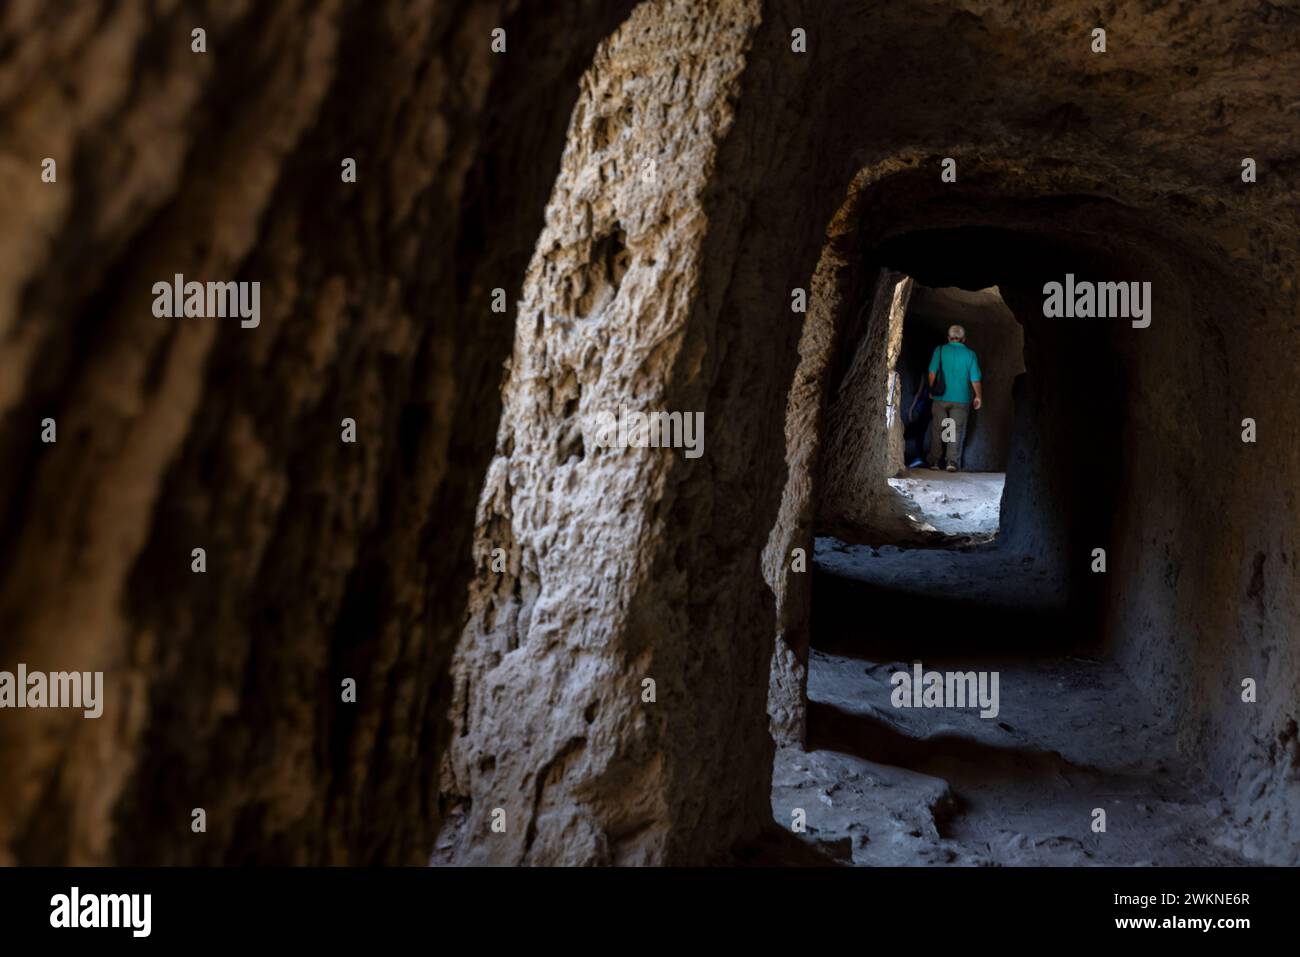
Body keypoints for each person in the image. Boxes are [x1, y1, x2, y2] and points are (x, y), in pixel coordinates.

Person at [926, 324, 982, 472]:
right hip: (961, 399)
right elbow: (975, 378)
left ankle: (934, 462)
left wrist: (931, 388)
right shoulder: (970, 355)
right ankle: (951, 462)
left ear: (948, 337)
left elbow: (932, 371)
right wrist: (978, 396)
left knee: (938, 428)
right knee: (954, 430)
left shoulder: (940, 350)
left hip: (941, 397)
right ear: (963, 339)